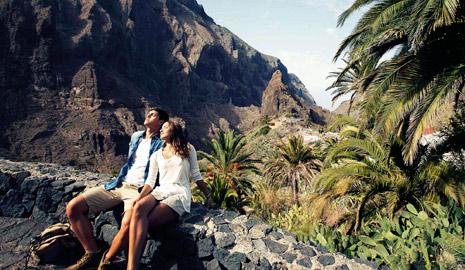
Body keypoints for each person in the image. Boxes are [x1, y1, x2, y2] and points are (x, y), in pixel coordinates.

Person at [99, 118, 213, 270]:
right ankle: (125, 264)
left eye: (165, 127)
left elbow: (196, 175)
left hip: (178, 194)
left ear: (174, 130)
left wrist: (208, 196)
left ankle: (124, 265)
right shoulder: (157, 154)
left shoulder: (188, 149)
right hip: (161, 190)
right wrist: (138, 198)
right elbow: (150, 182)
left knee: (140, 222)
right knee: (138, 207)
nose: (161, 129)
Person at [65, 108, 169, 270]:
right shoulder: (136, 137)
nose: (147, 115)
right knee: (73, 207)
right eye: (148, 112)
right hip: (118, 184)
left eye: (153, 114)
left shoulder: (162, 143)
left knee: (128, 223)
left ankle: (106, 261)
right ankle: (91, 253)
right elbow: (131, 162)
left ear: (161, 122)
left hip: (138, 190)